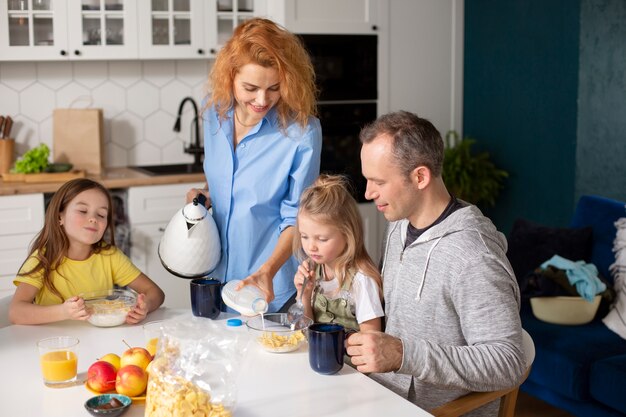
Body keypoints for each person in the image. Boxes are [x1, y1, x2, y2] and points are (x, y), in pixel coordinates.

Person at [346, 111, 526, 415]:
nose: (368, 193)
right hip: (383, 396)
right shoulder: (399, 225)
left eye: (378, 181)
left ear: (420, 177)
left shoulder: (473, 256)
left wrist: (404, 354)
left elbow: (507, 361)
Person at [186, 18, 322, 312]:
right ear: (230, 76)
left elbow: (298, 218)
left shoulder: (301, 132)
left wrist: (268, 271)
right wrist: (206, 196)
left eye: (274, 88)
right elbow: (224, 183)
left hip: (269, 287)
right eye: (250, 88)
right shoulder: (213, 113)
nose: (262, 100)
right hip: (216, 279)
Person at [9, 178, 165, 325]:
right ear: (59, 217)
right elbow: (16, 312)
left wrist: (145, 307)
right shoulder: (43, 259)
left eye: (101, 214)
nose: (93, 219)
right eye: (83, 211)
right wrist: (64, 312)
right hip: (55, 344)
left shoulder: (110, 256)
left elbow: (155, 292)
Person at [292, 174, 383, 332]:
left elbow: (372, 339)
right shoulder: (313, 270)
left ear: (348, 234)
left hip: (349, 357)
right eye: (304, 236)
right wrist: (303, 295)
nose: (311, 247)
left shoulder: (361, 281)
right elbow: (303, 331)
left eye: (322, 239)